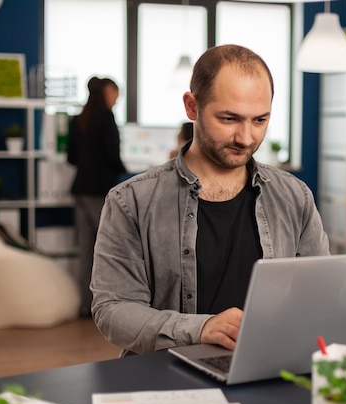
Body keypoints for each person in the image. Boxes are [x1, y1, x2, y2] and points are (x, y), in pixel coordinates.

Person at [90, 44, 330, 355]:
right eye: (229, 119)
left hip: (267, 367)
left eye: (259, 121)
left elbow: (319, 292)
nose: (246, 138)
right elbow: (114, 309)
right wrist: (201, 329)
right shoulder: (131, 201)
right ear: (192, 107)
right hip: (167, 376)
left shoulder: (295, 196)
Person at [67, 76, 127, 317]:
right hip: (98, 191)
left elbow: (71, 157)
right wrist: (125, 169)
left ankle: (85, 305)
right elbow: (112, 155)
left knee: (86, 250)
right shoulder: (106, 116)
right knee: (109, 249)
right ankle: (105, 306)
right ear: (107, 91)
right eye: (116, 94)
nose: (117, 99)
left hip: (80, 189)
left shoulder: (80, 117)